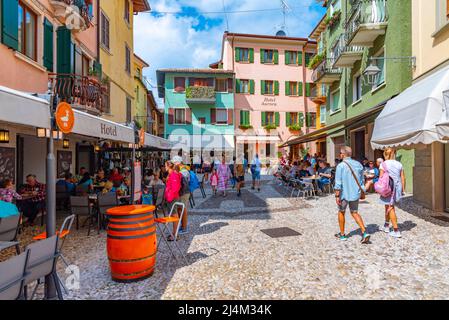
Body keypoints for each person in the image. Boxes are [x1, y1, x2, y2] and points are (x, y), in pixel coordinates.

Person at [334, 146, 370, 243]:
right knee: (354, 212)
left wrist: (337, 195)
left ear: (342, 154)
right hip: (355, 192)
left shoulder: (340, 166)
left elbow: (338, 182)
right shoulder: (358, 164)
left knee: (341, 212)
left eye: (340, 153)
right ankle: (364, 231)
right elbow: (362, 179)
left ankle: (342, 235)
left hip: (344, 194)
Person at [379, 148, 406, 238]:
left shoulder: (383, 164)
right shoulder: (399, 164)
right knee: (388, 206)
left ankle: (396, 230)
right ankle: (386, 225)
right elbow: (403, 178)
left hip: (388, 188)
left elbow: (381, 178)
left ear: (385, 155)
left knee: (390, 207)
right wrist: (403, 189)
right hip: (397, 188)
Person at [164, 161, 182, 240]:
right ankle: (174, 233)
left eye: (165, 165)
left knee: (174, 215)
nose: (164, 167)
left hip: (173, 197)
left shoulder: (173, 175)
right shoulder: (172, 174)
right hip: (172, 197)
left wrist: (169, 196)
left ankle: (175, 234)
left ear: (168, 166)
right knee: (174, 215)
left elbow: (175, 188)